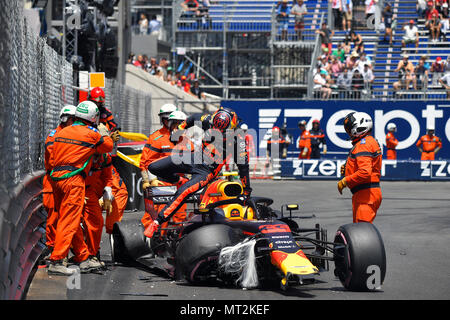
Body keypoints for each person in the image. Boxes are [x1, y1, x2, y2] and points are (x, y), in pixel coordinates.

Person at [143, 107, 251, 239]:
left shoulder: (238, 140)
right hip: (194, 158)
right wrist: (180, 129)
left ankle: (156, 222)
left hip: (207, 172)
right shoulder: (208, 120)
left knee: (183, 192)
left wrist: (246, 191)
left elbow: (243, 168)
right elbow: (193, 118)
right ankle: (178, 180)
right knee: (154, 167)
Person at [48, 101, 114, 275]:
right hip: (73, 179)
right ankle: (56, 260)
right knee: (69, 221)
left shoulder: (63, 131)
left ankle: (83, 257)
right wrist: (102, 130)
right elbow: (108, 146)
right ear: (93, 118)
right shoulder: (90, 134)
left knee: (71, 220)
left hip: (56, 179)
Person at [139, 105, 189, 229]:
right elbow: (145, 162)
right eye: (166, 119)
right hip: (161, 184)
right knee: (157, 217)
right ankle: (150, 243)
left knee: (180, 217)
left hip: (180, 184)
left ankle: (176, 243)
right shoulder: (156, 138)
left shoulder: (185, 140)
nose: (171, 123)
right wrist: (148, 180)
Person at [43, 105, 77, 257]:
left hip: (68, 180)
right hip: (53, 181)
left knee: (71, 217)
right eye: (73, 120)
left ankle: (67, 249)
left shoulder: (74, 134)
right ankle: (53, 249)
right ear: (66, 119)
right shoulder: (54, 136)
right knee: (54, 217)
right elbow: (53, 161)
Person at [338, 112, 382, 224]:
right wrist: (348, 167)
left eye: (349, 129)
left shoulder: (363, 144)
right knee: (359, 231)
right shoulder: (367, 141)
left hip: (366, 195)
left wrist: (345, 180)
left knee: (362, 233)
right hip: (365, 193)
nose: (348, 132)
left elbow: (364, 172)